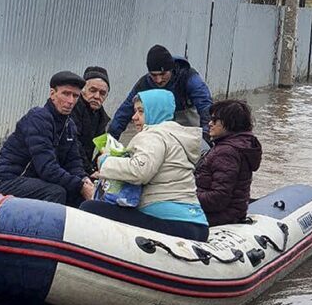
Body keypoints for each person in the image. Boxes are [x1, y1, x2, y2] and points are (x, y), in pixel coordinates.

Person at [80, 89, 209, 242]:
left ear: (155, 111)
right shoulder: (175, 136)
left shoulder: (153, 135)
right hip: (196, 224)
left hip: (171, 222)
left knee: (90, 208)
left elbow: (139, 171)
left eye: (141, 112)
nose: (134, 117)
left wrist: (105, 162)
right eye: (135, 111)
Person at [0, 71, 95, 207]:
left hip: (32, 180)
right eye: (66, 94)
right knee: (56, 192)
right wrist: (80, 186)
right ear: (52, 94)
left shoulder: (69, 126)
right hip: (6, 181)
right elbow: (47, 168)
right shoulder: (38, 118)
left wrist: (84, 180)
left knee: (78, 195)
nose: (71, 101)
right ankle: (43, 229)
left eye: (75, 96)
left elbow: (73, 162)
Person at [108, 44, 213, 139]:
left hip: (186, 118)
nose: (158, 80)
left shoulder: (188, 77)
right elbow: (124, 112)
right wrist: (110, 140)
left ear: (171, 69)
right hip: (158, 124)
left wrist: (206, 135)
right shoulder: (144, 83)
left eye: (163, 74)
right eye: (154, 75)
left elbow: (205, 106)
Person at [194, 100, 262, 226]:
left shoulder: (226, 152)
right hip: (233, 212)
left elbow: (218, 198)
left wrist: (184, 196)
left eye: (214, 120)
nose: (209, 124)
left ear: (230, 123)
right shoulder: (240, 145)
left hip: (220, 216)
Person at [70, 66, 111, 176]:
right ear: (82, 90)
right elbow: (75, 145)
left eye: (102, 93)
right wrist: (89, 171)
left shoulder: (101, 117)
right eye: (92, 91)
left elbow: (102, 147)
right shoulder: (72, 110)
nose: (97, 96)